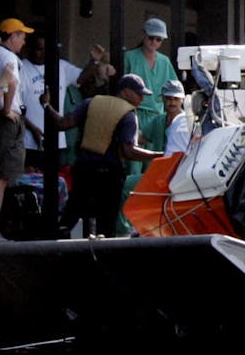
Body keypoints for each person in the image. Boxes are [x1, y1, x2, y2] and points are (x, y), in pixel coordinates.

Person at [44, 73, 161, 237]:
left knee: (70, 218)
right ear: (126, 91)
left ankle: (53, 253)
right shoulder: (128, 115)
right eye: (138, 93)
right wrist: (157, 156)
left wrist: (46, 105)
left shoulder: (91, 103)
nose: (142, 98)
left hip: (83, 171)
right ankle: (101, 258)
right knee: (106, 227)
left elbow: (62, 123)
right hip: (109, 176)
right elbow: (127, 151)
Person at [0, 17, 31, 233]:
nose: (24, 41)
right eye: (22, 36)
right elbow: (10, 82)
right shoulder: (10, 57)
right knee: (2, 177)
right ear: (12, 36)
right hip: (6, 119)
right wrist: (7, 110)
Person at [20, 34, 82, 167]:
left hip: (57, 142)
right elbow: (14, 108)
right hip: (29, 142)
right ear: (29, 49)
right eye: (39, 49)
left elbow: (81, 78)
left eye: (46, 50)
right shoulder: (21, 68)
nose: (43, 54)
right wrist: (33, 129)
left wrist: (94, 62)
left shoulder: (61, 66)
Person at [122, 17, 178, 156]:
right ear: (143, 34)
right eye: (151, 37)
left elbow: (175, 91)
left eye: (158, 39)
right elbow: (121, 90)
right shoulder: (129, 57)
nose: (154, 42)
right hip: (134, 114)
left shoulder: (165, 61)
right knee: (133, 162)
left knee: (154, 164)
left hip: (158, 118)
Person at [160, 79, 190, 157]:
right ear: (163, 98)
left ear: (182, 100)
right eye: (169, 98)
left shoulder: (187, 122)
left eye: (176, 99)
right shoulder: (158, 121)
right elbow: (142, 137)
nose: (172, 102)